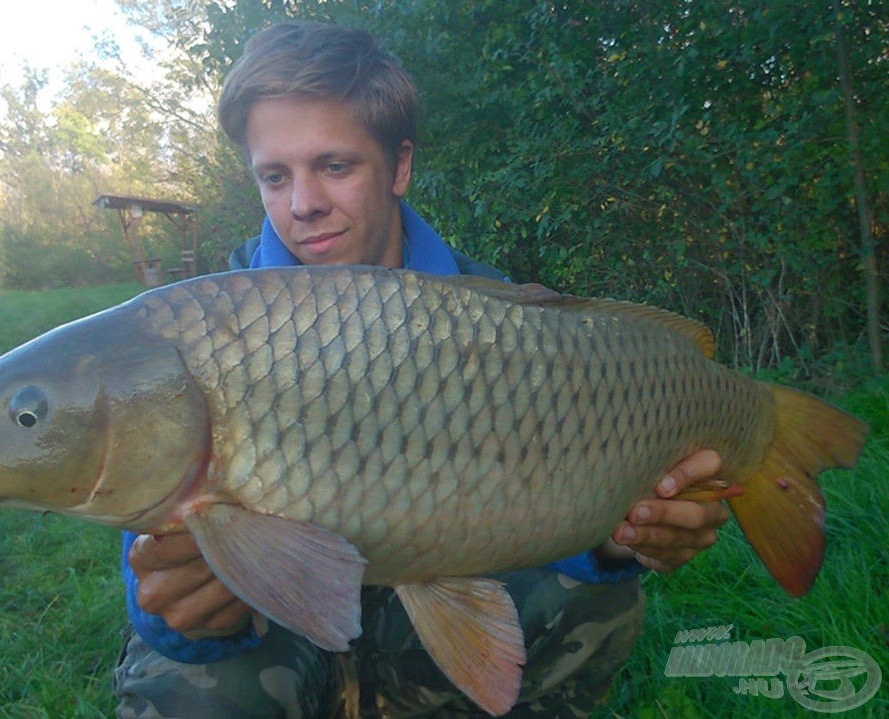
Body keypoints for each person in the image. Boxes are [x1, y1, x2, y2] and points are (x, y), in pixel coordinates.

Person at [114, 22, 729, 719]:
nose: (302, 203)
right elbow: (152, 540)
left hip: (443, 588)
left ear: (400, 166)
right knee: (193, 684)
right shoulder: (210, 332)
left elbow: (559, 487)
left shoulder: (495, 319)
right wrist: (174, 609)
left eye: (335, 166)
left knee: (595, 596)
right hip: (283, 617)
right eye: (274, 176)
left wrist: (620, 541)